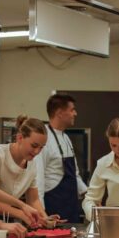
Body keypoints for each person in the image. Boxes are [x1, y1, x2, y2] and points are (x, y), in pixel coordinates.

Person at [0, 115, 53, 226]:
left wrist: (45, 219)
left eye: (41, 147)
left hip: (7, 215)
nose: (37, 152)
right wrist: (23, 214)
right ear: (20, 138)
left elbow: (33, 200)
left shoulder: (32, 164)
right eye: (34, 145)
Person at [36, 94, 87, 223]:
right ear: (59, 113)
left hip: (71, 206)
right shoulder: (44, 139)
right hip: (53, 207)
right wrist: (41, 214)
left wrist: (89, 194)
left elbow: (75, 175)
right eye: (72, 110)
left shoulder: (66, 138)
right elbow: (38, 180)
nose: (75, 113)